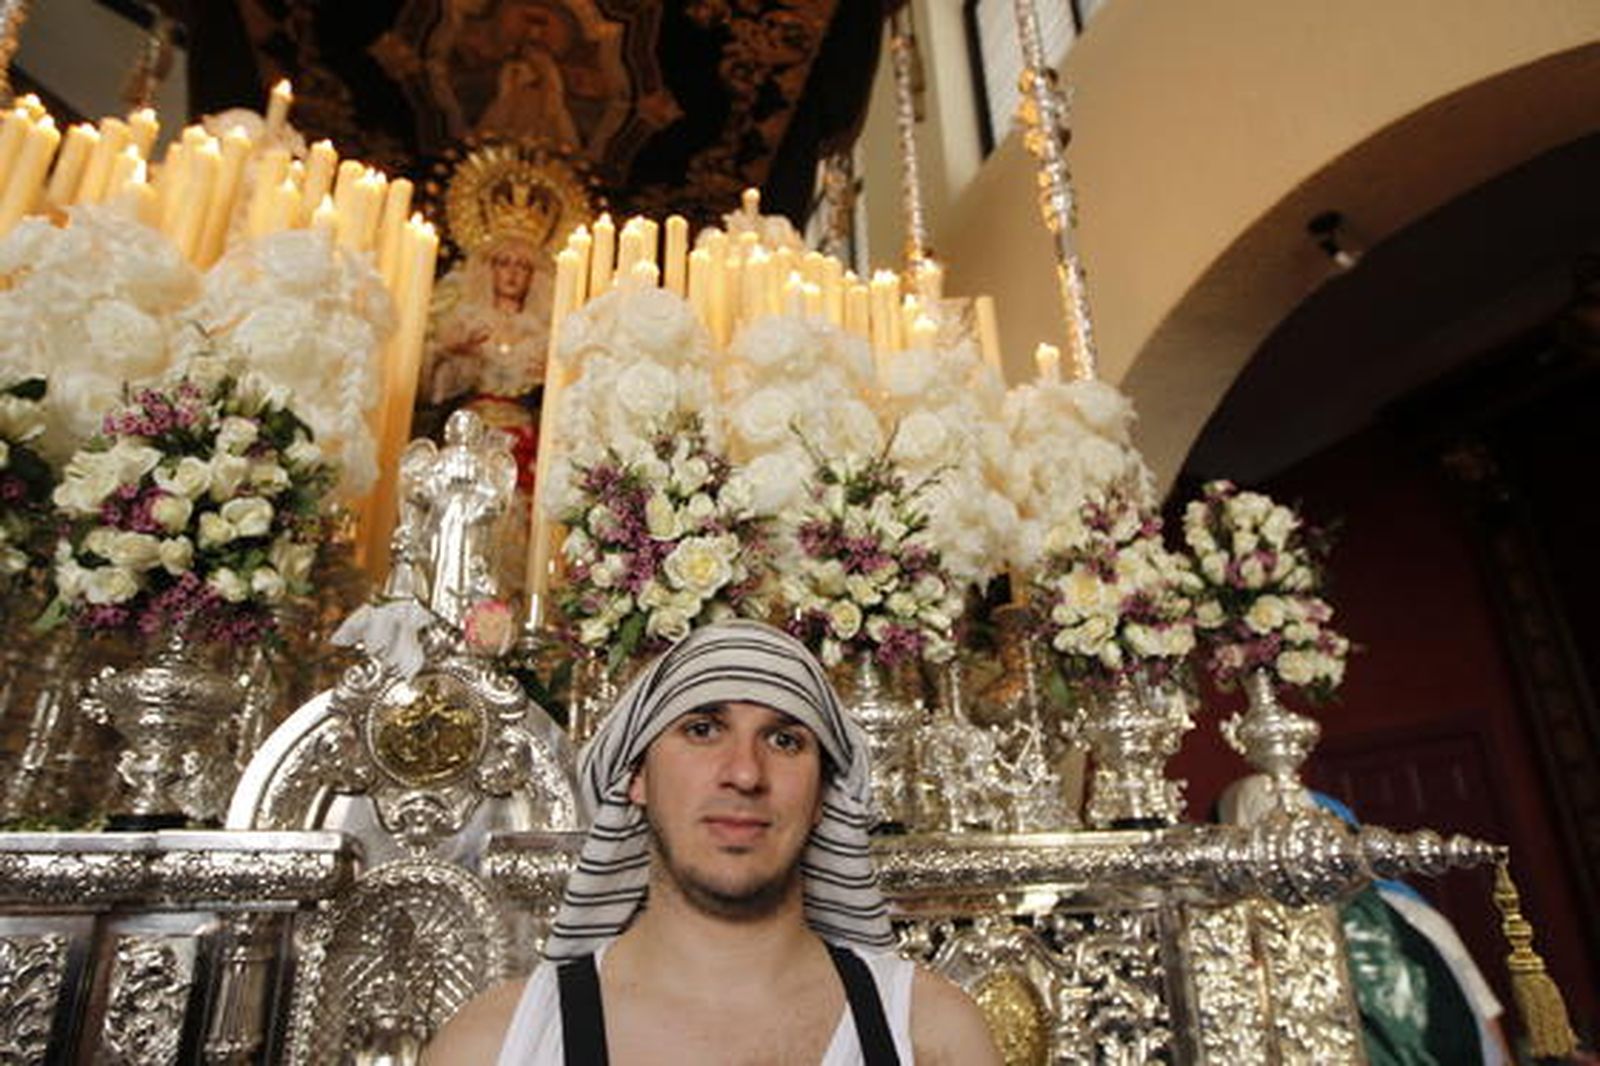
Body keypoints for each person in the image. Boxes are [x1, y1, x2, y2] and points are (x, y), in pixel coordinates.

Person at [423, 620, 1002, 1064]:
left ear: (824, 791)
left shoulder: (932, 1037)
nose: (745, 773)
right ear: (636, 777)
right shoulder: (494, 1047)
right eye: (702, 730)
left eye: (783, 740)